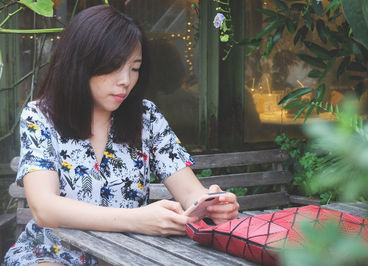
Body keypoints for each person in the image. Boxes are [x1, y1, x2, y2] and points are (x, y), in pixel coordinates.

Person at [3, 5, 239, 266]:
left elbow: (191, 193)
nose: (126, 80)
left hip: (127, 256)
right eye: (115, 67)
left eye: (135, 68)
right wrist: (138, 219)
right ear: (80, 62)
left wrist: (211, 205)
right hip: (50, 255)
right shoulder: (41, 116)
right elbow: (44, 208)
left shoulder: (146, 117)